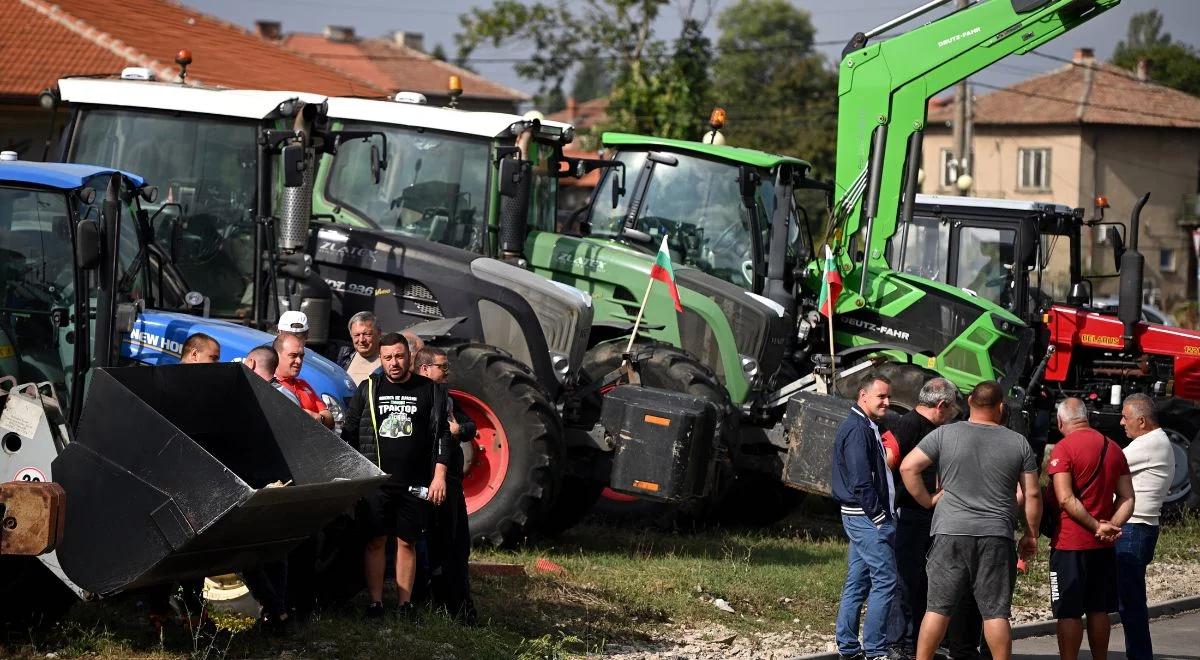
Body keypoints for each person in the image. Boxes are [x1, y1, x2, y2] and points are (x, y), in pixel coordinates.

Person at [900, 381, 1041, 660]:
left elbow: (908, 466)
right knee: (995, 612)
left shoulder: (944, 434)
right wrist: (1031, 534)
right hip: (996, 534)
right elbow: (1032, 493)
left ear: (969, 402)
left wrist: (927, 501)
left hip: (950, 532)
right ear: (1001, 407)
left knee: (937, 608)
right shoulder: (1018, 442)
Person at [341, 332, 452, 619]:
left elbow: (442, 435)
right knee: (376, 540)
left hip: (415, 482)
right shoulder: (369, 388)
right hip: (377, 482)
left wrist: (439, 475)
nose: (394, 363)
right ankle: (375, 603)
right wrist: (354, 478)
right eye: (388, 357)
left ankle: (405, 604)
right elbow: (349, 434)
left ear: (410, 357)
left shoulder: (430, 390)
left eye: (399, 356)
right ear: (381, 358)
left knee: (407, 542)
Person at [1047, 398, 1135, 660]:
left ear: (1061, 421)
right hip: (1103, 546)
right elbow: (1127, 497)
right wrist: (1110, 527)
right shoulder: (1113, 447)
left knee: (1068, 611)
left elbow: (1064, 498)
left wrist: (1096, 526)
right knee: (1099, 610)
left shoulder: (1063, 448)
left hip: (1069, 544)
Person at [886, 377, 957, 659]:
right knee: (905, 579)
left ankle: (915, 642)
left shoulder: (930, 428)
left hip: (925, 516)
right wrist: (926, 499)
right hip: (911, 514)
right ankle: (896, 643)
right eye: (951, 409)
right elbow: (893, 461)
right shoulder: (910, 424)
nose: (953, 415)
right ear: (941, 405)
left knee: (922, 581)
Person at [832, 373, 898, 660]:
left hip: (862, 516)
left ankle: (848, 648)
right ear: (863, 396)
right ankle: (875, 650)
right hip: (866, 518)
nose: (887, 401)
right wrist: (881, 518)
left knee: (858, 582)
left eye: (888, 396)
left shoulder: (866, 425)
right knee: (885, 579)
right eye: (881, 396)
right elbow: (860, 481)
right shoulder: (857, 430)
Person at [414, 345, 477, 624]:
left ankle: (457, 606)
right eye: (443, 367)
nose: (447, 372)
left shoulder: (447, 397)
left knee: (456, 544)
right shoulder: (416, 398)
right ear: (425, 369)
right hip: (423, 480)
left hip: (448, 481)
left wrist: (459, 430)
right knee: (428, 544)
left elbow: (468, 426)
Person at [239, 345, 297, 632]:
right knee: (275, 552)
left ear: (250, 363)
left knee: (246, 552)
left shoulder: (251, 397)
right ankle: (277, 613)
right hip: (283, 482)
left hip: (258, 484)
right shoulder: (288, 396)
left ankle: (275, 609)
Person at [1114, 394, 1173, 660]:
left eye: (1125, 417)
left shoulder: (1147, 445)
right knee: (1129, 600)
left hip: (1133, 529)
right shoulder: (1157, 441)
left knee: (1131, 602)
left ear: (1141, 420)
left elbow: (1109, 464)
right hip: (1138, 529)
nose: (1121, 422)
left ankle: (1139, 656)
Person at [273, 333, 333, 429]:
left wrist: (319, 418)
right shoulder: (268, 385)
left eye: (301, 356)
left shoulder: (303, 385)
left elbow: (329, 418)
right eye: (293, 355)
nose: (299, 361)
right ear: (276, 355)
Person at [337, 311, 382, 386]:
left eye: (367, 334)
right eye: (357, 335)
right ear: (351, 335)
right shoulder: (344, 357)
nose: (361, 340)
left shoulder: (389, 361)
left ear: (379, 333)